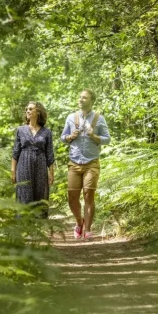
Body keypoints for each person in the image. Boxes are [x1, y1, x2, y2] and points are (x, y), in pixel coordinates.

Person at [61, 89, 111, 240]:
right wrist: (70, 136)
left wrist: (93, 135)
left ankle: (88, 230)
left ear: (91, 101)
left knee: (89, 195)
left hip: (91, 163)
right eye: (80, 97)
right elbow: (63, 137)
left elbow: (107, 139)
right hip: (74, 162)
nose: (81, 99)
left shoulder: (99, 118)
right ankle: (79, 222)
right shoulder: (71, 117)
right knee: (72, 197)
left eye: (84, 97)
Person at [12, 101, 55, 218]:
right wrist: (13, 171)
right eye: (27, 109)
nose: (27, 111)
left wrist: (51, 173)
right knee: (24, 193)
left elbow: (50, 153)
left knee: (39, 194)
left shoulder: (47, 132)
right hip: (23, 165)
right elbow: (15, 152)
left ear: (38, 112)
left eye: (31, 109)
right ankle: (24, 227)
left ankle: (38, 227)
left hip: (41, 165)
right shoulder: (20, 130)